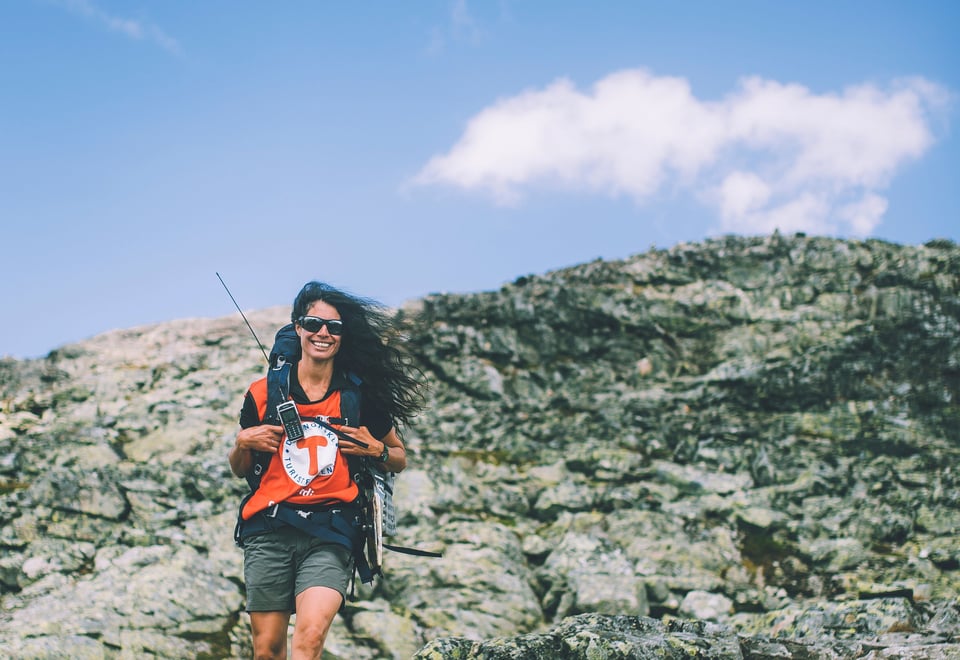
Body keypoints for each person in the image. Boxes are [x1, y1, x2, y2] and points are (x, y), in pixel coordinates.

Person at [229, 281, 425, 659]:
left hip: (332, 531)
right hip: (268, 529)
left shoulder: (357, 396)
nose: (323, 333)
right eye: (314, 324)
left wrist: (377, 449)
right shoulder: (262, 393)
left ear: (342, 335)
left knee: (309, 637)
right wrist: (241, 444)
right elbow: (241, 470)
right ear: (297, 327)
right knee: (267, 650)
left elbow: (399, 456)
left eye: (333, 327)